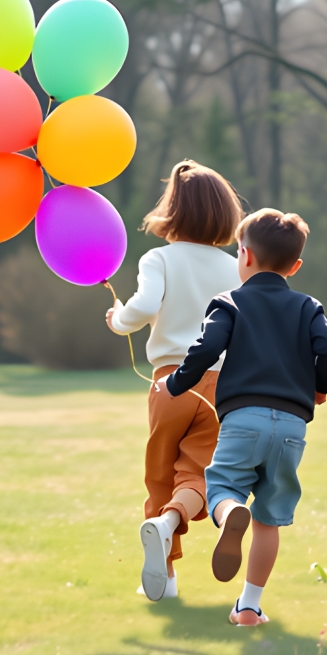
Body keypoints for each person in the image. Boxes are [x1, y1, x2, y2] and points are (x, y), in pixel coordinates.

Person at [163, 208, 327, 626]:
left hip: (243, 419)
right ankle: (249, 606)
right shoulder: (308, 307)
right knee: (269, 517)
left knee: (222, 487)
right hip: (292, 426)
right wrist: (320, 386)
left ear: (243, 255)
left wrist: (175, 383)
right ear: (295, 266)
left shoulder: (230, 302)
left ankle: (230, 512)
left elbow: (206, 349)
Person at [106, 161, 242, 602]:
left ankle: (164, 575)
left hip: (170, 383)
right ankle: (169, 521)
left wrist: (119, 320)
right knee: (198, 472)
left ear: (171, 210)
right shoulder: (236, 267)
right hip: (221, 385)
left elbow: (145, 307)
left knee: (159, 474)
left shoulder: (159, 258)